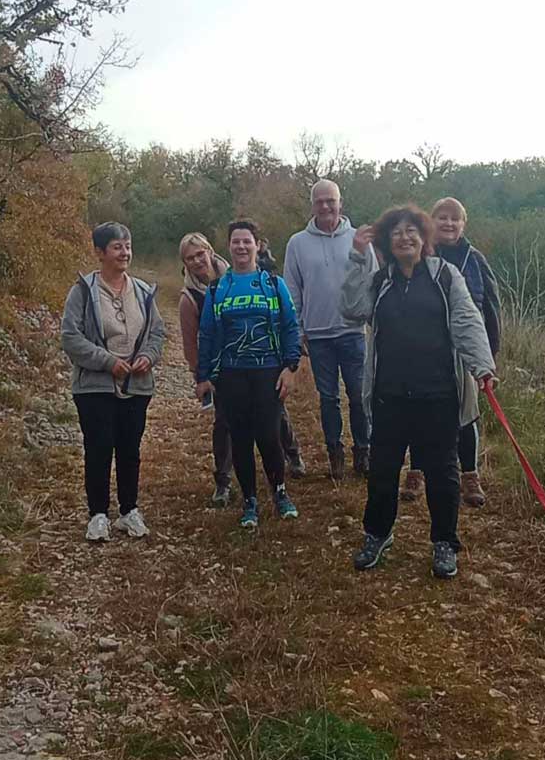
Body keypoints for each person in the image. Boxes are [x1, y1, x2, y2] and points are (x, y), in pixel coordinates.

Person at [341, 205, 496, 579]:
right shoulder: (381, 281)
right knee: (382, 472)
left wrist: (482, 365)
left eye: (412, 231)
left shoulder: (446, 276)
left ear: (424, 238)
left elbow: (466, 320)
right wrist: (358, 259)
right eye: (396, 232)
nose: (404, 237)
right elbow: (351, 309)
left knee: (443, 475)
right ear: (387, 242)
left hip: (438, 395)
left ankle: (445, 542)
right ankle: (377, 534)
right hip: (389, 395)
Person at [178, 233, 305, 507]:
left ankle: (282, 487)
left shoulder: (271, 283)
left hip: (266, 371)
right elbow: (203, 337)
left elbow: (290, 326)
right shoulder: (204, 293)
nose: (198, 260)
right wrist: (201, 376)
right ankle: (241, 493)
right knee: (236, 434)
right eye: (191, 257)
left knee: (271, 432)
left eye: (247, 241)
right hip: (229, 374)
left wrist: (291, 366)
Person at [61, 222, 166, 542]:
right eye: (117, 247)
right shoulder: (82, 291)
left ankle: (129, 511)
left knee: (130, 449)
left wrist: (148, 356)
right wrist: (108, 362)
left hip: (137, 385)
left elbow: (157, 333)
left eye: (128, 246)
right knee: (98, 448)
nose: (125, 253)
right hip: (95, 386)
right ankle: (97, 516)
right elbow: (70, 337)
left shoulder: (144, 292)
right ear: (100, 252)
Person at [401, 197, 501, 507]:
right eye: (442, 218)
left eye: (454, 219)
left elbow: (491, 307)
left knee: (466, 416)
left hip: (465, 353)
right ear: (432, 222)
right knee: (417, 413)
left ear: (463, 224)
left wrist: (489, 355)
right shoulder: (420, 257)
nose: (448, 223)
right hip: (424, 350)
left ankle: (469, 476)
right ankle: (416, 472)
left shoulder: (475, 259)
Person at [283, 179, 377, 479]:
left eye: (330, 200)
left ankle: (363, 453)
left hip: (352, 331)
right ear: (312, 205)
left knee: (359, 396)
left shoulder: (359, 240)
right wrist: (297, 332)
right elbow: (291, 290)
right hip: (318, 334)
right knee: (328, 399)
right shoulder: (297, 243)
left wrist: (377, 326)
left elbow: (372, 283)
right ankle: (334, 455)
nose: (325, 206)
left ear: (340, 203)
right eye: (319, 201)